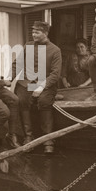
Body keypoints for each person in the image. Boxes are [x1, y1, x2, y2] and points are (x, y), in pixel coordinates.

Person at [11, 21, 62, 153]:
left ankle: (48, 139)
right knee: (21, 99)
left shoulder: (55, 50)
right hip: (27, 82)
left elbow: (55, 74)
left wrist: (41, 87)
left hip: (45, 84)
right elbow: (17, 64)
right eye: (33, 32)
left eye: (37, 32)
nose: (33, 34)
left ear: (45, 33)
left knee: (44, 101)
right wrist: (8, 78)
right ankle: (28, 135)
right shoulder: (28, 46)